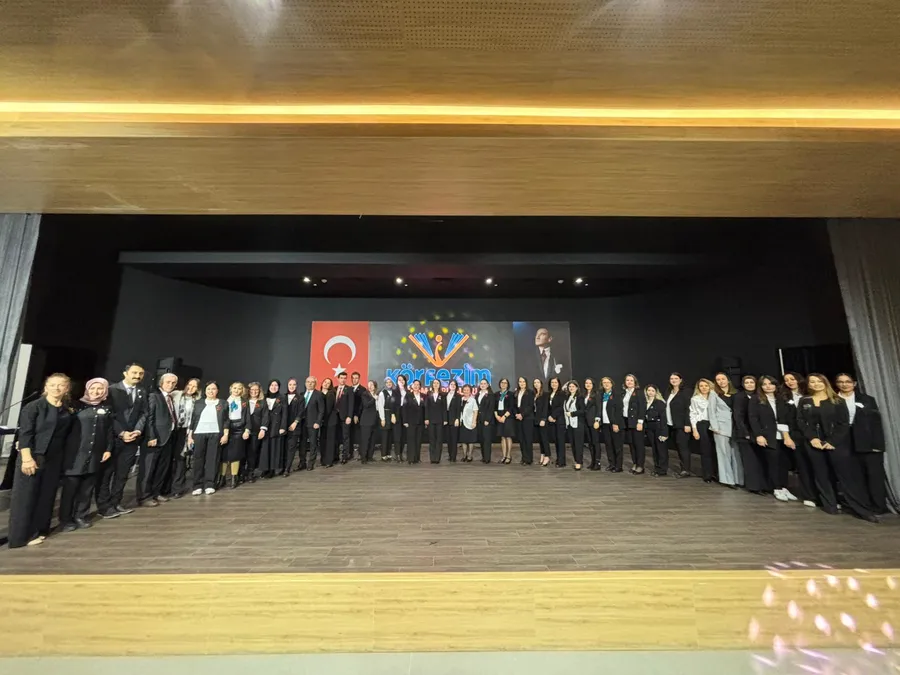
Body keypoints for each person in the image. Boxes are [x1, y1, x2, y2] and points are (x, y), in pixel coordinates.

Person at [797, 373, 878, 522]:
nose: (816, 384)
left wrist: (832, 441)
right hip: (813, 443)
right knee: (821, 474)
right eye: (812, 382)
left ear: (825, 382)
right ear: (808, 385)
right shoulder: (804, 401)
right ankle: (830, 505)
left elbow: (843, 423)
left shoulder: (837, 400)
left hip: (836, 443)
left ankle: (861, 509)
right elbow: (801, 421)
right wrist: (812, 438)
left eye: (819, 381)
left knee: (845, 476)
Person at [7, 373, 74, 547]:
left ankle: (38, 531)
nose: (56, 388)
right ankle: (20, 538)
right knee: (25, 498)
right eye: (52, 384)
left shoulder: (66, 410)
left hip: (54, 459)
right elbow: (25, 434)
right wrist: (26, 458)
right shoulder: (34, 407)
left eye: (61, 385)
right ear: (46, 387)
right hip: (33, 456)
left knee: (46, 496)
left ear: (67, 388)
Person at [59, 377, 113, 532]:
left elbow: (109, 430)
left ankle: (81, 516)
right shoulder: (75, 406)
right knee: (70, 489)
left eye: (100, 389)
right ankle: (65, 519)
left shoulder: (106, 408)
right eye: (93, 388)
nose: (96, 391)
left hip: (95, 453)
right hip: (75, 453)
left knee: (87, 488)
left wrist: (108, 449)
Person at [97, 362, 147, 519]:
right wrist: (121, 432)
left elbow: (144, 413)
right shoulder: (112, 390)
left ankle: (116, 502)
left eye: (140, 374)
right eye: (134, 373)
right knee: (106, 474)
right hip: (113, 439)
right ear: (125, 373)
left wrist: (137, 430)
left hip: (132, 439)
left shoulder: (142, 391)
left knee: (122, 474)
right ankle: (104, 506)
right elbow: (109, 414)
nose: (137, 376)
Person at [836, 373, 888, 515]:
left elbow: (875, 423)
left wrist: (878, 445)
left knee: (874, 474)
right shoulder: (832, 400)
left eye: (848, 381)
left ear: (854, 383)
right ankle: (860, 504)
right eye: (840, 382)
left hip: (867, 442)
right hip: (843, 441)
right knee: (853, 475)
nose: (844, 384)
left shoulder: (867, 399)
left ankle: (878, 505)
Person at [749, 375, 798, 502]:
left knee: (784, 462)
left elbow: (789, 416)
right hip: (768, 436)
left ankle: (784, 487)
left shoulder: (783, 398)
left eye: (771, 383)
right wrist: (759, 435)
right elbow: (753, 418)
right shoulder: (756, 399)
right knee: (773, 462)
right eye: (764, 384)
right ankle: (776, 488)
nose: (768, 386)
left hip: (785, 435)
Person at [142, 373, 179, 507]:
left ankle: (156, 492)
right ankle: (144, 496)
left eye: (173, 383)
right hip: (155, 438)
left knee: (162, 468)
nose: (170, 385)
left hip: (168, 438)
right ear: (161, 383)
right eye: (168, 382)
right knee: (149, 469)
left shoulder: (170, 397)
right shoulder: (154, 396)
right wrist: (151, 436)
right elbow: (150, 418)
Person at [781, 372, 815, 506]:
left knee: (818, 466)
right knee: (803, 466)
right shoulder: (784, 397)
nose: (789, 382)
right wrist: (787, 437)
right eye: (786, 380)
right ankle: (809, 496)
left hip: (815, 434)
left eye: (792, 379)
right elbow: (782, 419)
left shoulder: (810, 394)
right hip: (796, 435)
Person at [188, 381, 229, 495]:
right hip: (199, 433)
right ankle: (197, 485)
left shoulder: (223, 403)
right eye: (209, 389)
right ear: (205, 391)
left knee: (213, 459)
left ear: (217, 390)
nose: (211, 391)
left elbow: (226, 420)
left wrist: (225, 434)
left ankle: (210, 484)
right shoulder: (198, 403)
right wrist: (190, 436)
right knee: (198, 459)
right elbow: (193, 419)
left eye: (213, 389)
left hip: (215, 433)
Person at [165, 378, 200, 498]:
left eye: (194, 386)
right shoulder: (176, 394)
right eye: (189, 385)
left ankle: (177, 488)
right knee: (168, 459)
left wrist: (190, 435)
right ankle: (165, 487)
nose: (191, 388)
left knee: (181, 458)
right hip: (172, 429)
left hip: (186, 431)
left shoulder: (197, 401)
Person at [734, 375, 767, 495]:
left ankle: (764, 485)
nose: (749, 384)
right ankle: (754, 486)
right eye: (746, 382)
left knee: (761, 460)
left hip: (760, 432)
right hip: (746, 433)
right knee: (750, 461)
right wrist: (745, 433)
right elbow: (738, 416)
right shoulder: (739, 397)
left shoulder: (760, 396)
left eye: (751, 382)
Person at [711, 373, 743, 489]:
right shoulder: (714, 394)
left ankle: (738, 479)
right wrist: (715, 427)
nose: (721, 381)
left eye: (723, 379)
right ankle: (727, 479)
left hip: (735, 427)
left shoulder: (736, 393)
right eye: (718, 379)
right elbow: (711, 411)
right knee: (724, 453)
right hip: (721, 427)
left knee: (736, 454)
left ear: (728, 380)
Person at [221, 382, 250, 489]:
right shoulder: (224, 402)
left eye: (239, 388)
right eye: (234, 388)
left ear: (242, 390)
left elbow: (247, 417)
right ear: (231, 389)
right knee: (224, 455)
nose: (236, 390)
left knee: (236, 454)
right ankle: (222, 478)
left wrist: (247, 430)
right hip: (226, 428)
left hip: (239, 429)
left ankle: (234, 477)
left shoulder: (244, 402)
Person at [690, 378, 717, 483]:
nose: (704, 388)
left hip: (715, 424)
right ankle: (707, 475)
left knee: (716, 449)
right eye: (701, 386)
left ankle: (717, 474)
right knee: (705, 450)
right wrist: (694, 430)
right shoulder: (695, 399)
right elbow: (693, 414)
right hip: (702, 424)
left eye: (706, 385)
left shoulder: (715, 397)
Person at [665, 372, 692, 478]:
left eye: (676, 378)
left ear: (680, 380)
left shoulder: (686, 391)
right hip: (670, 424)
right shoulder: (668, 391)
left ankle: (685, 470)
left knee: (683, 447)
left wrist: (687, 423)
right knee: (677, 446)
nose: (673, 380)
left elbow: (688, 408)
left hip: (682, 424)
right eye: (671, 378)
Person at [259, 379, 285, 478]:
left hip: (276, 426)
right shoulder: (264, 397)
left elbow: (285, 413)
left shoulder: (282, 398)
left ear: (279, 387)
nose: (274, 387)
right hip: (265, 425)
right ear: (269, 386)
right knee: (265, 448)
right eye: (272, 385)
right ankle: (265, 468)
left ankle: (272, 470)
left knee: (274, 448)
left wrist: (282, 427)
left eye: (276, 385)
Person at [622, 374, 646, 475]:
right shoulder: (624, 393)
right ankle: (635, 463)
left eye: (631, 380)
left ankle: (640, 466)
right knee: (631, 444)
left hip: (636, 422)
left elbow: (642, 407)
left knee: (638, 444)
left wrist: (640, 422)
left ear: (635, 382)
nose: (629, 382)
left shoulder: (639, 393)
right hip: (626, 421)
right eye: (627, 380)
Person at [599, 377, 624, 473]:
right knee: (608, 445)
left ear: (612, 384)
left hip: (614, 423)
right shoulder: (601, 395)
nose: (606, 384)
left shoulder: (616, 395)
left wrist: (615, 423)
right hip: (605, 424)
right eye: (604, 382)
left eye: (608, 382)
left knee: (617, 445)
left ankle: (618, 466)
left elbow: (618, 410)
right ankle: (612, 464)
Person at [244, 382, 268, 482]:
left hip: (256, 431)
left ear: (259, 391)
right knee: (242, 451)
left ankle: (250, 472)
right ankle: (241, 473)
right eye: (252, 389)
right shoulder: (243, 401)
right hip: (243, 430)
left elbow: (265, 416)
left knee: (253, 452)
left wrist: (263, 429)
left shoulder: (262, 402)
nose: (254, 391)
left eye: (256, 390)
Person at [643, 385, 669, 476]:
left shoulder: (659, 402)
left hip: (659, 428)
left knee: (661, 449)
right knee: (654, 449)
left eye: (652, 390)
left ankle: (662, 470)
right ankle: (657, 468)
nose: (650, 392)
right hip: (650, 428)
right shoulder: (645, 402)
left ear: (656, 392)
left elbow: (663, 418)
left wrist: (664, 433)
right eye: (649, 390)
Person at [301, 376, 325, 469]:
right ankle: (302, 463)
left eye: (312, 382)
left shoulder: (318, 394)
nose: (310, 383)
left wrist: (318, 422)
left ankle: (311, 463)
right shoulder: (301, 394)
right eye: (308, 382)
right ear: (305, 383)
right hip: (302, 423)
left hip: (313, 423)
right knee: (302, 444)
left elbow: (321, 410)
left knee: (313, 444)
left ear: (315, 384)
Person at [402, 380, 426, 464]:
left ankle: (417, 458)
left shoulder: (423, 396)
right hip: (410, 421)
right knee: (411, 440)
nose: (416, 386)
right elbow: (404, 408)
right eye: (414, 384)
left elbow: (425, 409)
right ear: (412, 386)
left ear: (420, 386)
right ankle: (411, 459)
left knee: (418, 440)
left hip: (420, 422)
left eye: (418, 384)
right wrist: (405, 421)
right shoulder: (408, 395)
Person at [563, 379, 585, 470]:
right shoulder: (567, 397)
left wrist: (572, 414)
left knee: (578, 444)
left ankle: (579, 462)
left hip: (578, 423)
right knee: (573, 443)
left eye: (573, 386)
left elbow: (582, 411)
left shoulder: (580, 397)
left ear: (577, 388)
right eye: (570, 387)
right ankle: (576, 460)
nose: (571, 388)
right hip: (570, 424)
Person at [376, 377, 399, 462]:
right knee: (385, 436)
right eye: (387, 382)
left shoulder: (394, 392)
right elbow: (380, 407)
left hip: (392, 415)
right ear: (385, 384)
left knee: (390, 436)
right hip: (385, 414)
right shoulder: (382, 393)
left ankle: (388, 454)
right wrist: (382, 418)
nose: (389, 384)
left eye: (390, 382)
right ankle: (383, 455)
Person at [514, 377, 534, 465]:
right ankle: (524, 457)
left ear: (526, 383)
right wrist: (516, 414)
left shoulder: (530, 392)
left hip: (527, 418)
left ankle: (529, 459)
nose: (521, 383)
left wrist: (522, 414)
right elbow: (514, 406)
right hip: (518, 418)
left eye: (523, 382)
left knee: (527, 439)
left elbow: (530, 406)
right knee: (521, 439)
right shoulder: (516, 392)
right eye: (520, 382)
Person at [425, 379, 446, 464]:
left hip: (440, 420)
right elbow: (426, 407)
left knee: (439, 439)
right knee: (432, 439)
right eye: (434, 383)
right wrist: (426, 418)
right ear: (432, 384)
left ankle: (437, 458)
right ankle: (432, 458)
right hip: (431, 420)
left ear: (439, 385)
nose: (436, 384)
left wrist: (445, 419)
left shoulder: (443, 395)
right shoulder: (429, 394)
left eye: (437, 383)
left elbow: (444, 408)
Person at [284, 378, 302, 474]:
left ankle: (287, 468)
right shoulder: (283, 397)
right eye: (290, 384)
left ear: (296, 386)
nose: (292, 386)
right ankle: (282, 467)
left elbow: (301, 412)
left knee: (291, 448)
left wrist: (295, 422)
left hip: (294, 426)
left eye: (294, 384)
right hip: (283, 427)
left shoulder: (300, 398)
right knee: (284, 448)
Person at [358, 380, 380, 463]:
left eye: (372, 385)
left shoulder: (378, 395)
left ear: (375, 386)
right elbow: (366, 405)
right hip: (366, 421)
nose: (370, 386)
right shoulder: (365, 394)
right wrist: (374, 399)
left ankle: (370, 456)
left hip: (375, 421)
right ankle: (363, 457)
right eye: (369, 385)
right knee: (365, 440)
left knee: (372, 440)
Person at [494, 378, 514, 464]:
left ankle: (509, 456)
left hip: (508, 417)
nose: (503, 384)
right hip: (499, 416)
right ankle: (504, 456)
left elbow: (511, 407)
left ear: (508, 384)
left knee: (508, 436)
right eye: (502, 382)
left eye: (505, 383)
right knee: (502, 437)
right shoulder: (496, 394)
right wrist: (497, 416)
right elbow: (494, 407)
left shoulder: (511, 394)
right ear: (499, 384)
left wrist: (504, 416)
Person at [336, 372, 355, 464]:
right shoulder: (334, 389)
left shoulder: (349, 389)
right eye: (341, 378)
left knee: (345, 437)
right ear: (338, 378)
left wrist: (349, 416)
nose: (343, 380)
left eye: (344, 378)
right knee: (335, 437)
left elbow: (351, 404)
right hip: (334, 417)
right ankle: (335, 456)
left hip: (345, 417)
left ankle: (344, 456)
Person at [547, 377, 566, 467]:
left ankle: (562, 461)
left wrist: (553, 416)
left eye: (555, 382)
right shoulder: (550, 394)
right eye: (552, 382)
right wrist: (549, 416)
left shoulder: (562, 394)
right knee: (556, 441)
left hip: (560, 420)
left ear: (559, 384)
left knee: (561, 441)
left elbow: (561, 407)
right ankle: (558, 459)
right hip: (552, 421)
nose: (554, 384)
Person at [582, 378, 601, 470]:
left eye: (590, 383)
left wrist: (597, 420)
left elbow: (599, 408)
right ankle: (592, 462)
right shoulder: (584, 394)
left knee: (595, 442)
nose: (588, 384)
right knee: (590, 442)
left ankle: (597, 462)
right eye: (586, 383)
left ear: (593, 384)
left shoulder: (596, 394)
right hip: (586, 422)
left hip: (594, 421)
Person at [320, 378, 338, 467]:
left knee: (330, 441)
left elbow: (328, 409)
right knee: (323, 441)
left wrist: (321, 419)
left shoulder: (330, 394)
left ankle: (329, 461)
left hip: (330, 421)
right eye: (325, 382)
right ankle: (323, 460)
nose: (326, 384)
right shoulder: (319, 393)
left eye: (328, 383)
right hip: (323, 422)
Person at [476, 379, 494, 464]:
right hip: (479, 420)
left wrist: (487, 419)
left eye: (484, 383)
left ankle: (487, 458)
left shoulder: (490, 395)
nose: (483, 385)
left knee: (487, 439)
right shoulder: (477, 394)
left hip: (487, 420)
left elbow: (491, 408)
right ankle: (483, 457)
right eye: (481, 383)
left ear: (487, 385)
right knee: (481, 439)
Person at [533, 378, 550, 467]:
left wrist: (543, 419)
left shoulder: (545, 394)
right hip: (536, 419)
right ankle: (542, 455)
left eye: (538, 382)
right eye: (535, 382)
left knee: (544, 438)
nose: (536, 384)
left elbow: (545, 407)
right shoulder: (534, 394)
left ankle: (547, 456)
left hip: (542, 420)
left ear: (541, 384)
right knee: (540, 439)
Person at [459, 384, 479, 462]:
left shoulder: (472, 400)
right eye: (464, 390)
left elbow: (475, 411)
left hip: (470, 422)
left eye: (468, 390)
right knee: (463, 440)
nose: (466, 391)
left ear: (470, 391)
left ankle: (470, 456)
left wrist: (474, 421)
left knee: (471, 440)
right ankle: (464, 455)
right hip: (462, 422)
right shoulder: (461, 399)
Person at [445, 380, 463, 462]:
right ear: (449, 386)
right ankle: (450, 455)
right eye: (451, 384)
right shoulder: (445, 395)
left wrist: (457, 419)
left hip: (454, 419)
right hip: (446, 420)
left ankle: (453, 457)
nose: (452, 385)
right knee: (448, 439)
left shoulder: (458, 396)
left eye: (454, 384)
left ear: (456, 386)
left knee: (454, 439)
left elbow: (459, 409)